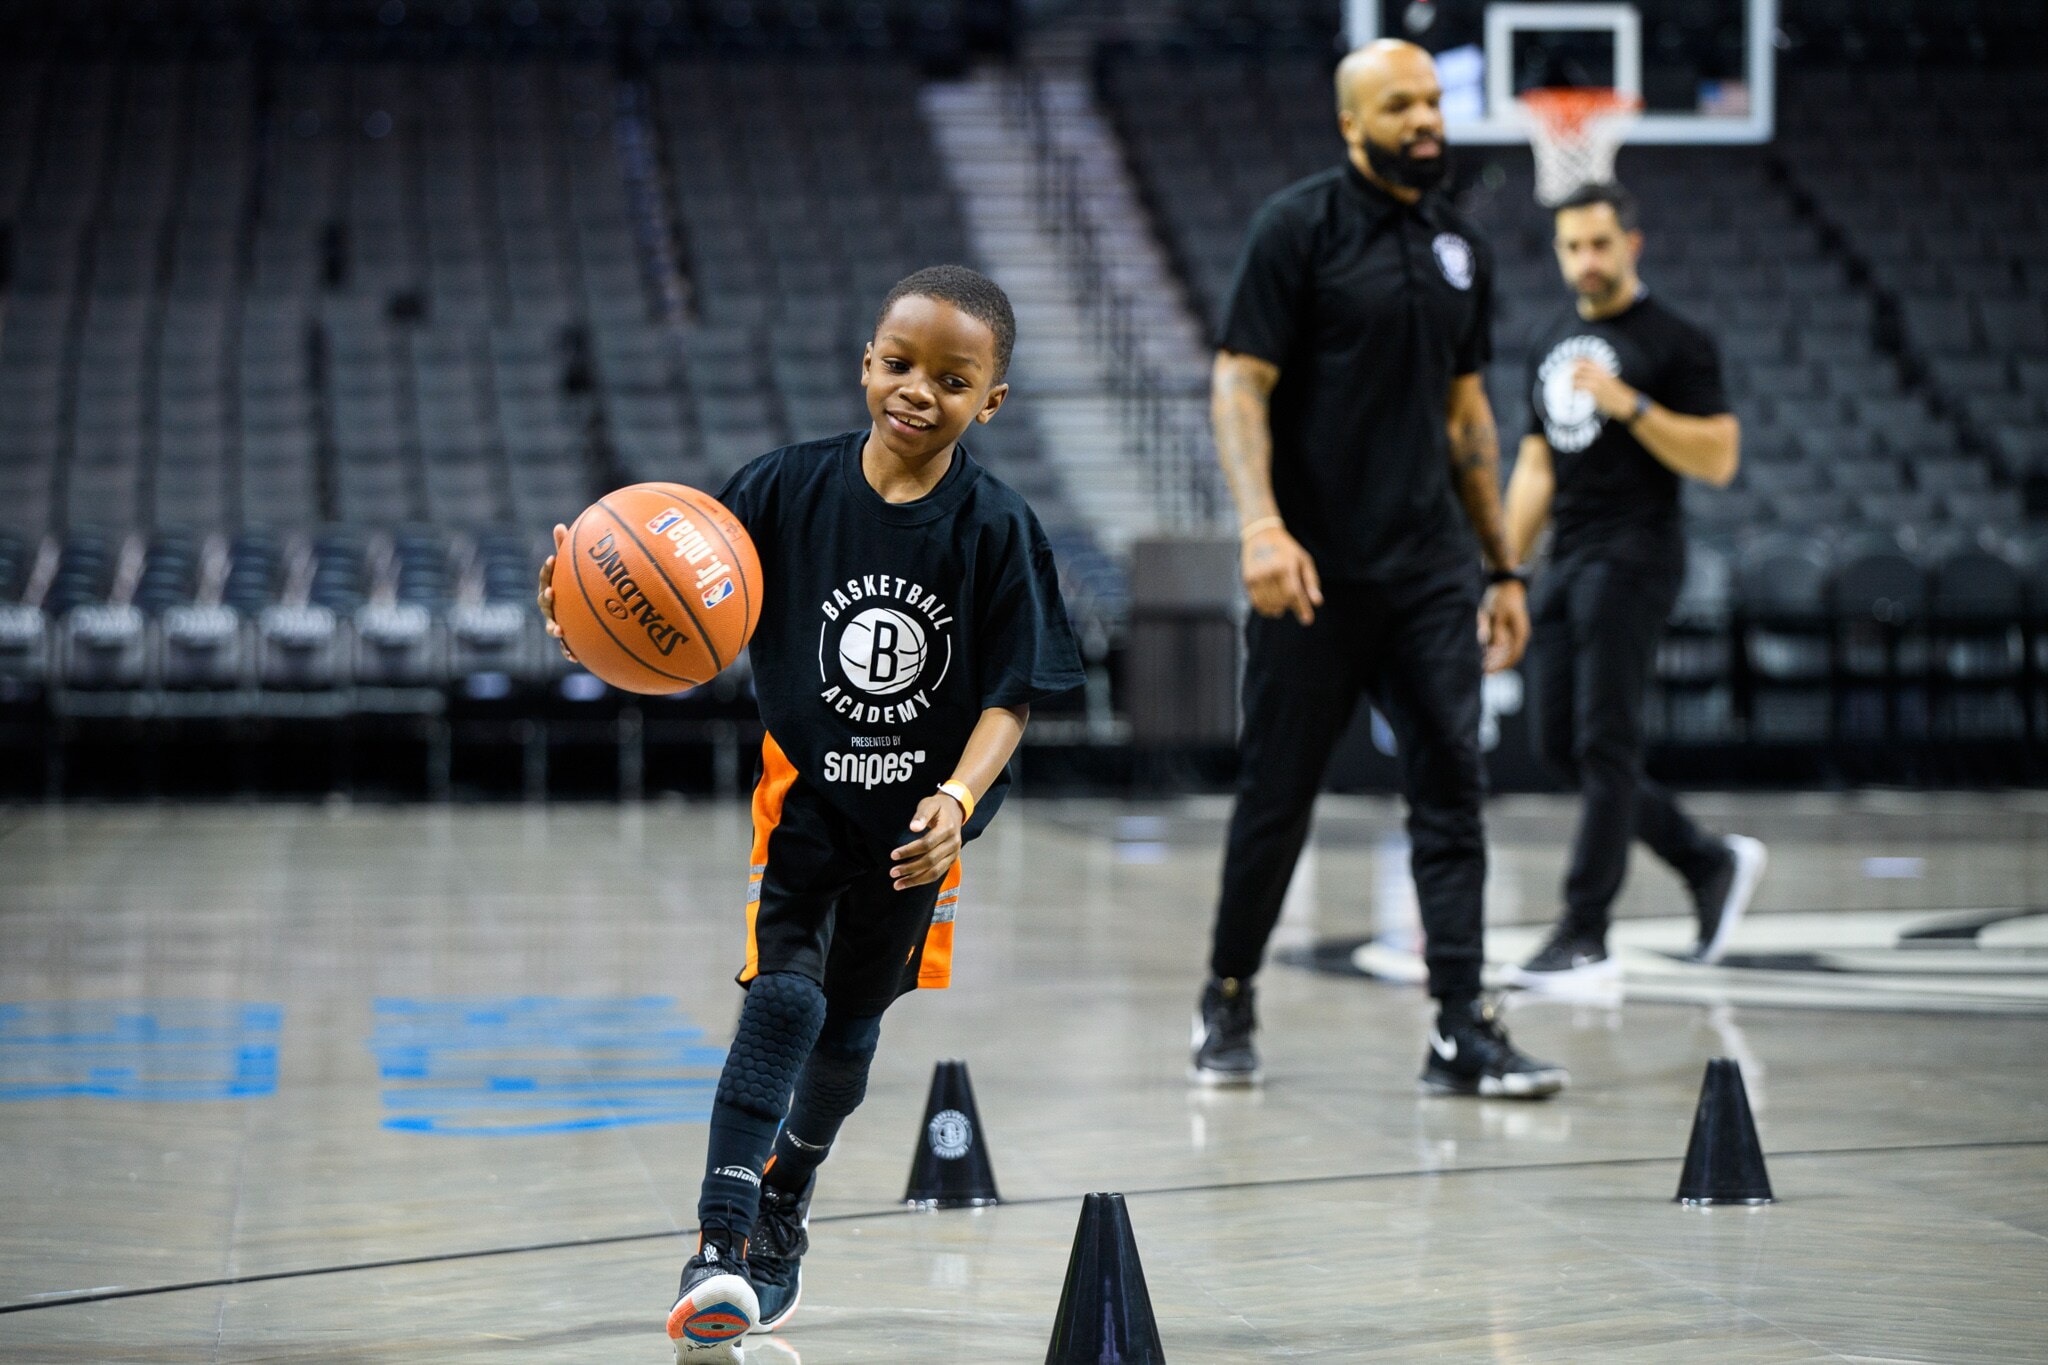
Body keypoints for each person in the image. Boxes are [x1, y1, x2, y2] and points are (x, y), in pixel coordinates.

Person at [538, 265, 1085, 1361]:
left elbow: (1010, 695)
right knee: (781, 999)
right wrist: (579, 605)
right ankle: (720, 1243)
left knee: (847, 1034)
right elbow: (677, 590)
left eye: (951, 377)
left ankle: (790, 1186)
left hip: (920, 827)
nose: (916, 390)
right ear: (865, 362)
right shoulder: (782, 489)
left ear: (991, 402)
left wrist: (957, 796)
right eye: (898, 363)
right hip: (804, 802)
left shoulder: (995, 527)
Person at [1189, 39, 1566, 1099]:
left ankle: (1459, 1026)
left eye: (1432, 99)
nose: (1423, 116)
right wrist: (1260, 527)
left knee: (1451, 787)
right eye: (1399, 103)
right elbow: (1236, 386)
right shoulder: (1294, 229)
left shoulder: (1458, 245)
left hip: (1430, 574)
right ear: (1350, 124)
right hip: (1309, 574)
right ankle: (1226, 990)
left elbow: (1467, 420)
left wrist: (1501, 570)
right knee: (1278, 796)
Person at [1501, 181, 1766, 992]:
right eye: (1572, 247)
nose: (1586, 260)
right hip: (1565, 557)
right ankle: (1705, 859)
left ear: (1632, 243)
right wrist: (1502, 572)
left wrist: (1631, 404)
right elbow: (1537, 465)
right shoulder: (1549, 338)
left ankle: (1586, 932)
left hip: (1637, 553)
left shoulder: (1676, 342)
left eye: (1600, 244)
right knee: (1557, 745)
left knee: (1606, 743)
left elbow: (1719, 456)